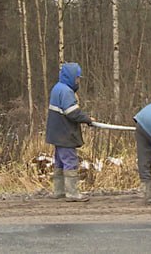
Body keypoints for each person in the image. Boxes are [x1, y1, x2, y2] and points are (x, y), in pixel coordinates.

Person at [46, 62, 94, 202]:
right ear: (71, 77)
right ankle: (72, 193)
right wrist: (87, 119)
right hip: (64, 133)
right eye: (77, 78)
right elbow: (72, 112)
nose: (78, 81)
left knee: (60, 162)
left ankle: (59, 191)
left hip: (56, 132)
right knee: (70, 161)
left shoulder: (57, 88)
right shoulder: (66, 91)